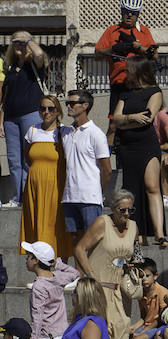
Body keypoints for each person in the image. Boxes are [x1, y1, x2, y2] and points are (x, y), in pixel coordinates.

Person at [72, 192, 136, 339]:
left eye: (130, 210)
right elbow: (79, 248)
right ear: (112, 209)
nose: (126, 214)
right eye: (122, 210)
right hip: (99, 287)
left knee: (122, 326)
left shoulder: (133, 226)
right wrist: (90, 275)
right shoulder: (102, 223)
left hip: (119, 286)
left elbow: (132, 252)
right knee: (100, 327)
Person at [57, 89, 111, 250]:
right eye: (67, 103)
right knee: (75, 241)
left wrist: (98, 191)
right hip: (69, 196)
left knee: (93, 242)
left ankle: (93, 275)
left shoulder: (96, 134)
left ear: (85, 106)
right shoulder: (65, 132)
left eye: (72, 103)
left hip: (89, 197)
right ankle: (81, 275)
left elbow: (107, 169)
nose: (68, 106)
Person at [2, 31, 49, 205]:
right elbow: (5, 98)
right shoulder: (11, 68)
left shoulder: (34, 64)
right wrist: (2, 121)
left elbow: (39, 54)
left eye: (22, 43)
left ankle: (29, 196)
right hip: (10, 118)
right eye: (16, 43)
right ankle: (17, 198)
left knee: (29, 158)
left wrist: (27, 40)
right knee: (14, 161)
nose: (19, 46)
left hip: (30, 114)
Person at [20, 94, 68, 257]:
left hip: (56, 185)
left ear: (58, 111)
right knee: (36, 223)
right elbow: (28, 156)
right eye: (42, 108)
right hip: (34, 186)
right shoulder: (32, 131)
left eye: (51, 108)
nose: (46, 112)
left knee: (56, 224)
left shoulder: (64, 132)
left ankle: (60, 265)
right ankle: (39, 265)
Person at [93, 0, 156, 116]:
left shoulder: (144, 31)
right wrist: (114, 49)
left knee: (139, 120)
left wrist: (138, 47)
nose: (129, 15)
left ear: (138, 14)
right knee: (113, 124)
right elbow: (97, 55)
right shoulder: (111, 31)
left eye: (133, 12)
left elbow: (154, 56)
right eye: (126, 11)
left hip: (140, 85)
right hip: (119, 84)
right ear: (122, 12)